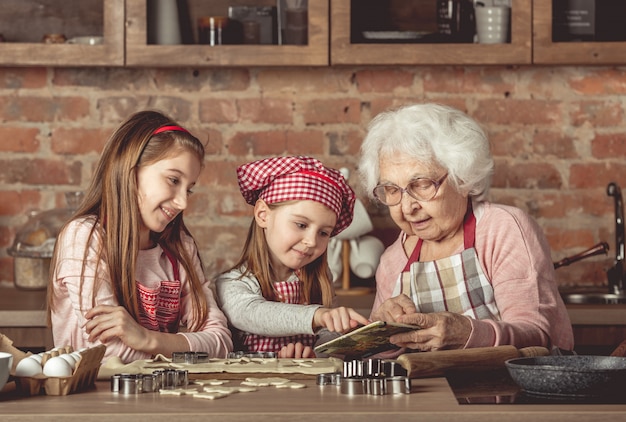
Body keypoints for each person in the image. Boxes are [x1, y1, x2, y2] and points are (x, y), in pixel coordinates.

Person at [358, 103, 574, 353]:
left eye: (422, 184)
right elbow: (376, 363)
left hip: (508, 391)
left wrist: (469, 333)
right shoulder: (392, 262)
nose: (407, 207)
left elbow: (539, 337)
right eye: (393, 190)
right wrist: (383, 333)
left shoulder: (503, 230)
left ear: (462, 178)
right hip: (431, 393)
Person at [48, 110, 233, 363]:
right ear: (130, 172)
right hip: (93, 400)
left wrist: (146, 338)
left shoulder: (181, 248)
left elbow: (221, 342)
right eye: (173, 180)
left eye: (188, 189)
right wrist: (185, 350)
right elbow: (108, 354)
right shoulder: (85, 237)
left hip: (164, 396)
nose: (182, 203)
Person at [216, 156, 370, 358]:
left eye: (324, 233)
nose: (311, 241)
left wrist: (318, 352)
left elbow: (325, 335)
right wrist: (318, 315)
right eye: (301, 225)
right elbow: (252, 313)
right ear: (263, 214)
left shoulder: (319, 281)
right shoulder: (232, 283)